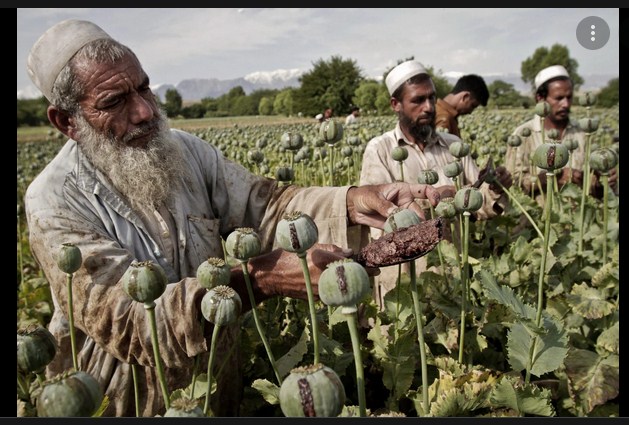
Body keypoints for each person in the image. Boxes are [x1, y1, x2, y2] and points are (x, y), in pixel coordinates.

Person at [23, 20, 441, 417]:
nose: (145, 112)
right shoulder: (54, 200)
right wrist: (259, 280)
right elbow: (130, 322)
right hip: (123, 398)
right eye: (115, 102)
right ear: (67, 122)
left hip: (218, 383)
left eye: (145, 88)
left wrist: (353, 200)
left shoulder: (184, 151)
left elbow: (268, 205)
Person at [359, 60, 512, 308]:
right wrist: (434, 198)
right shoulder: (380, 149)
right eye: (418, 100)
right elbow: (377, 216)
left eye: (432, 98)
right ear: (395, 105)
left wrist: (494, 189)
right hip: (404, 285)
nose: (429, 107)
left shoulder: (453, 145)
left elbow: (477, 205)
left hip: (451, 276)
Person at [504, 64, 617, 198]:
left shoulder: (583, 133)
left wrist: (602, 182)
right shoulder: (523, 134)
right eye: (559, 98)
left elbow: (593, 186)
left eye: (569, 97)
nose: (566, 104)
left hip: (577, 216)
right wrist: (552, 177)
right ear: (540, 98)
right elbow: (512, 184)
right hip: (537, 217)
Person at [435, 74, 489, 138]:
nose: (470, 112)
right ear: (465, 97)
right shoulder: (444, 119)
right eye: (473, 106)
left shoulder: (436, 109)